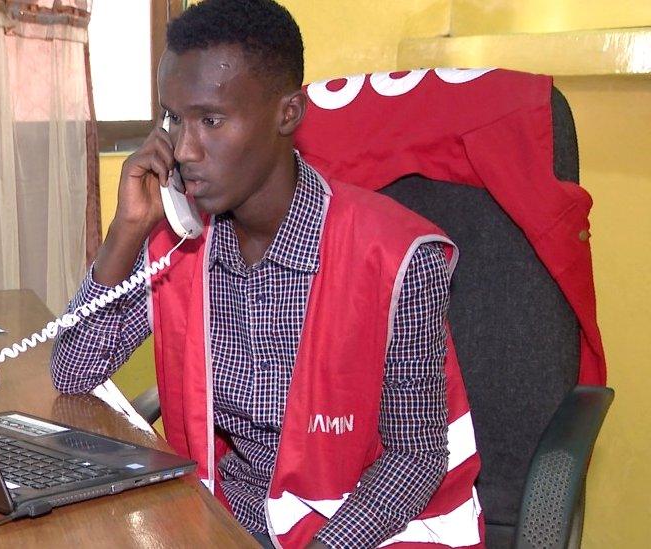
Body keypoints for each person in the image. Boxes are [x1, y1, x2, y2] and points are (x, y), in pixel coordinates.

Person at [51, 1, 482, 547]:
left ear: (287, 114)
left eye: (210, 120)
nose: (183, 150)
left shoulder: (396, 257)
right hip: (237, 521)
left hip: (373, 528)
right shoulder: (183, 244)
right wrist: (127, 231)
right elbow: (72, 372)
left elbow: (415, 460)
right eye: (174, 119)